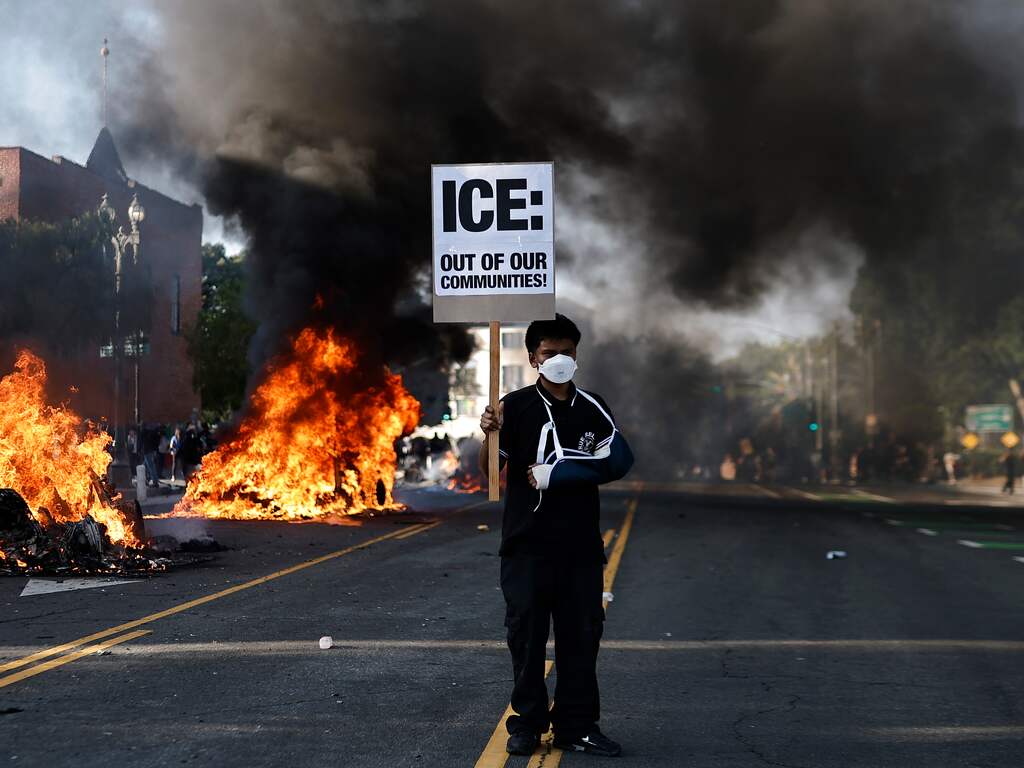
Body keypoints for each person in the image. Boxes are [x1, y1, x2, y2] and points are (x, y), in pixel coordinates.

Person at [479, 314, 633, 758]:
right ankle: (526, 723)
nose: (560, 360)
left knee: (581, 638)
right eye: (549, 353)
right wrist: (488, 435)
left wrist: (559, 473)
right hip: (526, 547)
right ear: (533, 359)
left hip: (580, 548)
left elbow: (618, 461)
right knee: (525, 637)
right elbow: (489, 475)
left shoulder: (593, 407)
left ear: (577, 355)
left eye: (567, 352)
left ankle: (577, 725)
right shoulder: (515, 407)